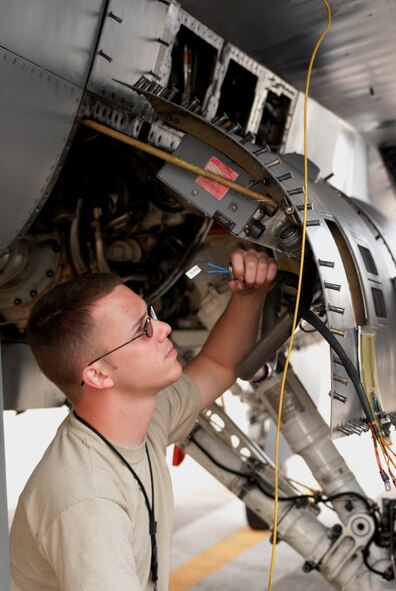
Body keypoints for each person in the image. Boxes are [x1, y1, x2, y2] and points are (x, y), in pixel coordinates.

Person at [9, 248, 277, 591]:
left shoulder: (140, 421)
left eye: (150, 314)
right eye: (142, 330)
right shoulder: (89, 503)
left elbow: (219, 364)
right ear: (99, 374)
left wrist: (250, 296)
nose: (163, 328)